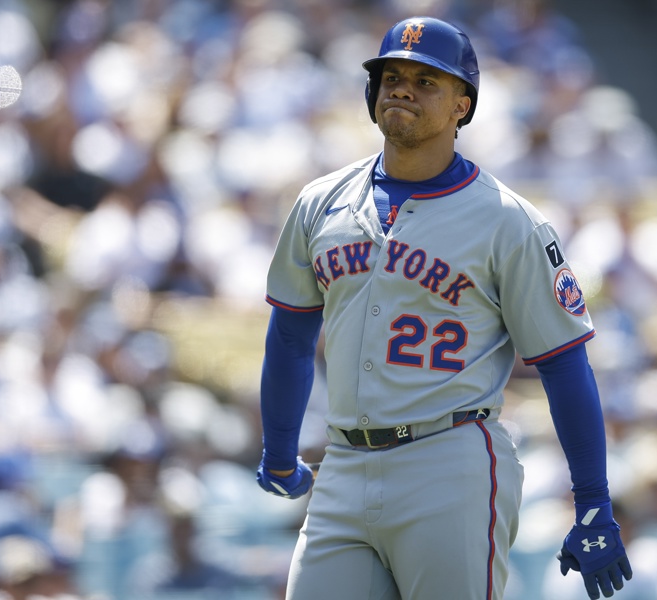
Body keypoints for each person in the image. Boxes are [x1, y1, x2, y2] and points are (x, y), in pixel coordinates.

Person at [255, 15, 632, 600]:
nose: (402, 88)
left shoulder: (509, 222)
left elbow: (563, 363)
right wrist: (279, 450)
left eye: (427, 80)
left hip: (449, 460)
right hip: (344, 465)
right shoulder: (319, 202)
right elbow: (289, 337)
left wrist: (593, 503)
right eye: (391, 76)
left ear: (463, 105)